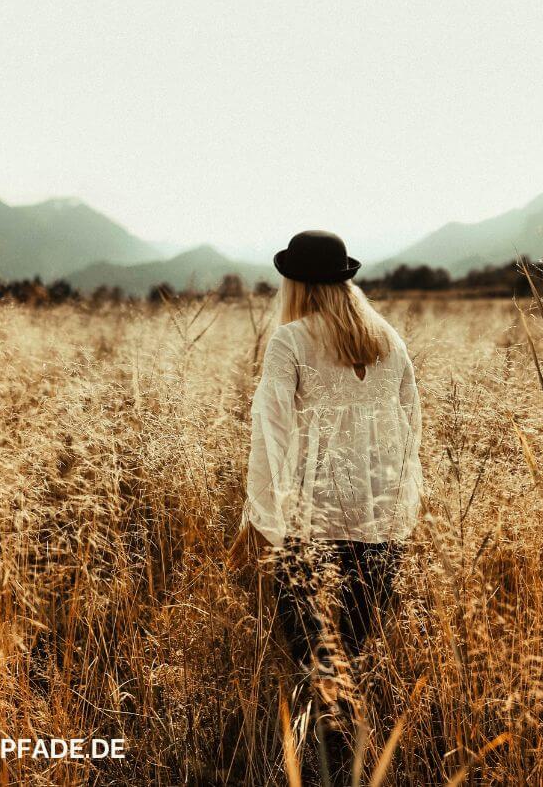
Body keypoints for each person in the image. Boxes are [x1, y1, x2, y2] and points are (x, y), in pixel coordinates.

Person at [226, 229, 424, 760]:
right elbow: (411, 430)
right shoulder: (389, 340)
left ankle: (323, 764)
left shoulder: (290, 340)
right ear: (344, 280)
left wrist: (263, 518)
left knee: (314, 660)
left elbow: (271, 436)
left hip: (310, 527)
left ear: (295, 284)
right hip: (379, 524)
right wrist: (398, 508)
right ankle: (354, 757)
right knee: (352, 654)